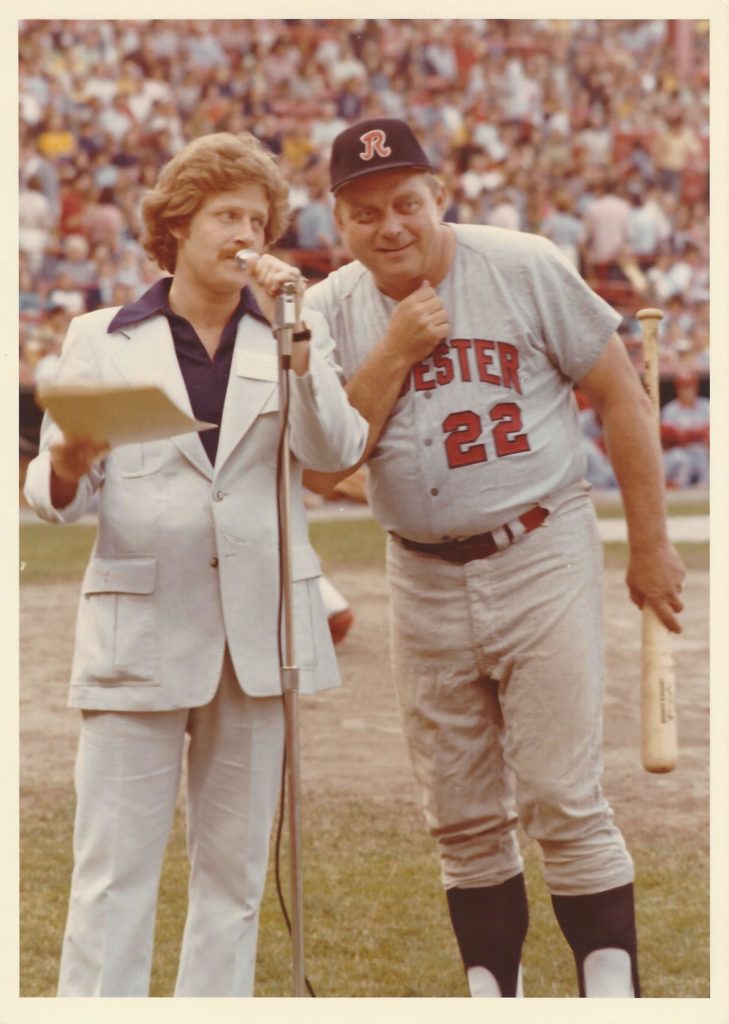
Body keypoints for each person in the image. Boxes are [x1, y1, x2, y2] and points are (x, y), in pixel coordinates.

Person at [303, 117, 686, 999]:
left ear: (440, 196)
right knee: (462, 816)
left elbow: (620, 397)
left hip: (537, 546)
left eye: (405, 202)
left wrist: (651, 545)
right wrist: (394, 352)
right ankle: (491, 999)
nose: (389, 226)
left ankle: (610, 996)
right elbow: (324, 471)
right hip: (420, 570)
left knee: (560, 793)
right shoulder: (329, 312)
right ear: (337, 223)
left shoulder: (521, 264)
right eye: (364, 213)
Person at [23, 131, 367, 997]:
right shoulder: (102, 334)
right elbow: (49, 492)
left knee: (234, 882)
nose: (245, 233)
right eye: (226, 215)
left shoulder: (292, 330)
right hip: (139, 626)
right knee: (111, 878)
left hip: (258, 642)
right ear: (176, 226)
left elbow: (335, 449)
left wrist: (302, 339)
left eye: (258, 218)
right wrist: (66, 463)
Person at [660, 369, 710, 488]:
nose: (687, 391)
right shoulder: (670, 410)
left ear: (696, 388)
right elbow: (667, 439)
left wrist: (690, 434)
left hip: (701, 450)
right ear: (678, 390)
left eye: (689, 387)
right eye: (683, 387)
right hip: (681, 452)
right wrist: (693, 434)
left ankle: (706, 486)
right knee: (680, 458)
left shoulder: (706, 406)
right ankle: (678, 486)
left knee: (703, 454)